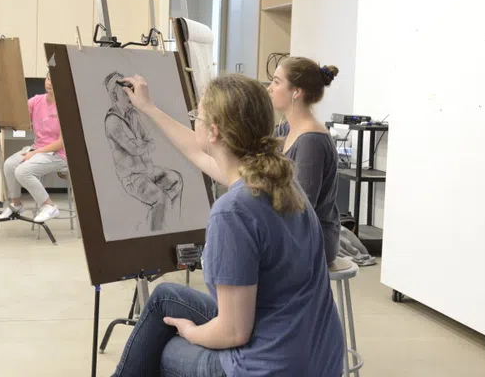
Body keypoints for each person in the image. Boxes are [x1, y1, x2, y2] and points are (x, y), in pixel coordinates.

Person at [111, 74, 343, 377]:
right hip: (318, 355)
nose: (194, 120)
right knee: (166, 297)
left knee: (166, 350)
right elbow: (195, 151)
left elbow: (233, 333)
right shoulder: (279, 181)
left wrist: (190, 332)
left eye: (197, 116)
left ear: (215, 132)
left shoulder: (232, 211)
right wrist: (149, 108)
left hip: (272, 366)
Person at [267, 57, 341, 266]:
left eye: (276, 82)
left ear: (296, 92)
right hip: (294, 231)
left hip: (313, 239)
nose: (270, 88)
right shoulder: (286, 129)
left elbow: (301, 206)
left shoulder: (311, 141)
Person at [103, 72, 183, 231]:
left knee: (176, 179)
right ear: (114, 94)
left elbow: (151, 142)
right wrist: (141, 144)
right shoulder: (113, 121)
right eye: (123, 87)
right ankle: (157, 234)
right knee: (160, 199)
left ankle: (171, 225)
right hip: (132, 177)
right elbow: (134, 149)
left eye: (128, 85)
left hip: (148, 170)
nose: (129, 90)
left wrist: (141, 144)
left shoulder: (133, 114)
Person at [0, 73, 67, 223]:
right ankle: (16, 205)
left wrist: (34, 153)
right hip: (38, 148)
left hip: (59, 153)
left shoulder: (65, 106)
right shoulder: (36, 101)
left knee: (23, 171)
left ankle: (49, 206)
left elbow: (61, 143)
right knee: (9, 164)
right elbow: (18, 113)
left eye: (55, 80)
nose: (50, 83)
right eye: (49, 79)